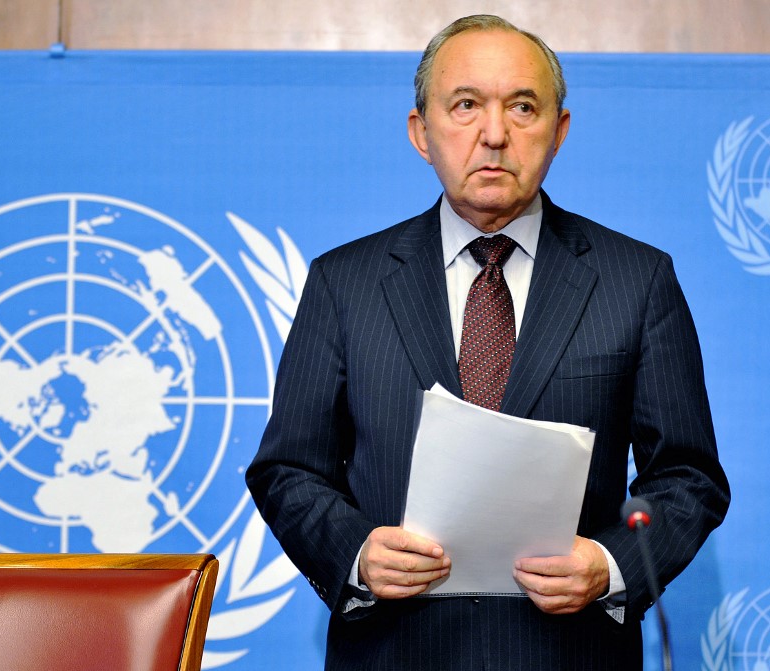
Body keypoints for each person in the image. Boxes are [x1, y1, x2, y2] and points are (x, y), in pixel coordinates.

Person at [245, 14, 730, 671]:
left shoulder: (636, 280)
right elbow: (288, 468)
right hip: (394, 649)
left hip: (569, 651)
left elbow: (689, 476)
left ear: (559, 130)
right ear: (421, 131)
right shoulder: (344, 282)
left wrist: (610, 564)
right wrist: (356, 551)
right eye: (466, 104)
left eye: (523, 107)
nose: (494, 134)